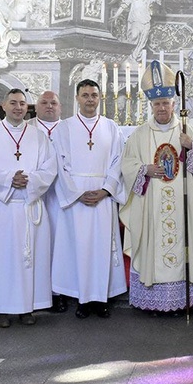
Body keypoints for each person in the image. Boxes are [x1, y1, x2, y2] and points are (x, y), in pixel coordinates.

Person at [120, 61, 193, 314]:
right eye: (157, 104)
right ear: (151, 106)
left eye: (166, 103)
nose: (162, 108)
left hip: (182, 203)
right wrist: (143, 169)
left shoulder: (187, 130)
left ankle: (180, 298)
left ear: (174, 104)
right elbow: (127, 164)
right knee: (153, 242)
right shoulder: (139, 134)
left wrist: (191, 148)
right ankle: (151, 295)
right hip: (151, 202)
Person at [0, 89, 57, 327]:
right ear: (3, 106)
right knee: (2, 258)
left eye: (22, 103)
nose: (18, 107)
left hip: (30, 206)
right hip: (2, 207)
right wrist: (10, 178)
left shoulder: (39, 136)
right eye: (13, 103)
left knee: (29, 259)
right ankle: (2, 308)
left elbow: (50, 168)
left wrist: (29, 180)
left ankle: (27, 308)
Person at [51, 80, 127, 319]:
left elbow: (119, 161)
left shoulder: (111, 127)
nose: (90, 99)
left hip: (103, 195)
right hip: (77, 198)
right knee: (79, 247)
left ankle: (101, 299)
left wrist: (106, 189)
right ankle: (82, 299)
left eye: (94, 95)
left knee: (102, 248)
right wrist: (76, 193)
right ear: (77, 98)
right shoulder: (64, 128)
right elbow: (59, 164)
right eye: (85, 95)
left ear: (99, 98)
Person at [32, 90, 68, 313]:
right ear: (35, 107)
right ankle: (37, 290)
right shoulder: (27, 129)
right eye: (44, 103)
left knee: (59, 242)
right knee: (37, 243)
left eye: (53, 102)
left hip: (61, 194)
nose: (49, 106)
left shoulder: (69, 128)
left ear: (60, 107)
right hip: (36, 194)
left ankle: (59, 291)